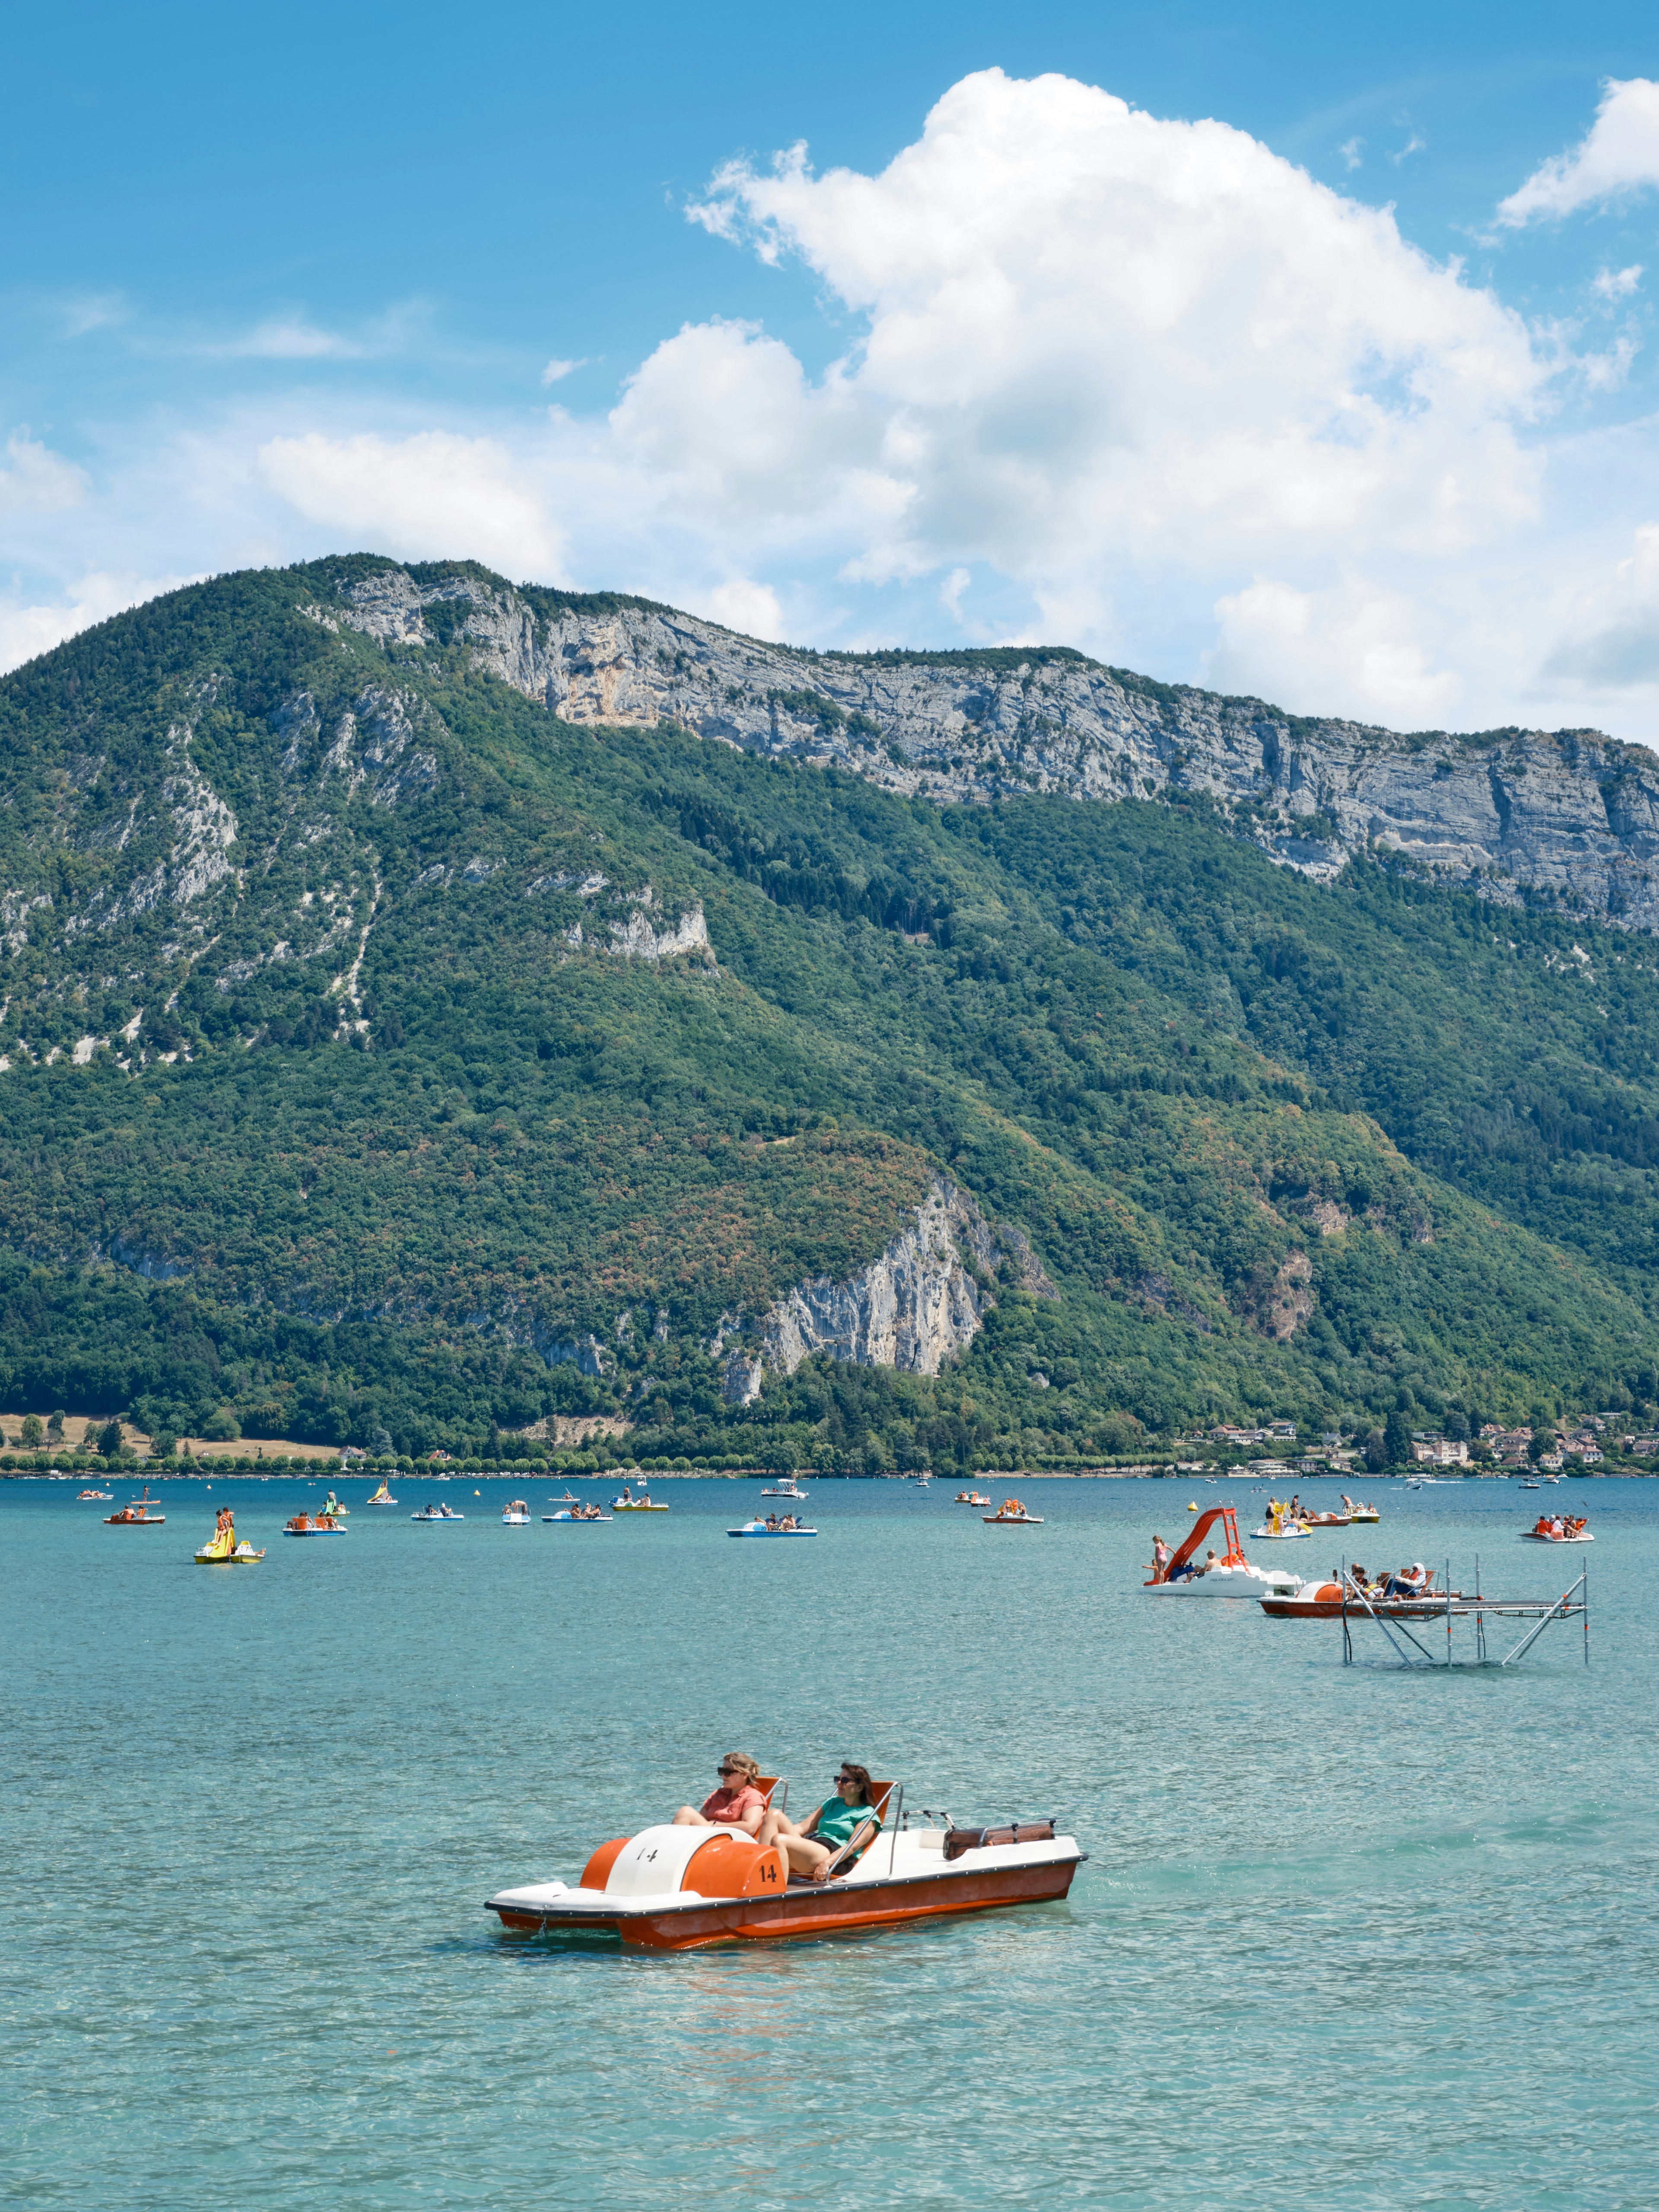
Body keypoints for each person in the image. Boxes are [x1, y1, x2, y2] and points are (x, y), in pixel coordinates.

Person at [759, 1762, 882, 1883]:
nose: (839, 1783)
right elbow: (803, 1828)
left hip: (835, 1856)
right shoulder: (833, 1803)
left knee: (779, 1840)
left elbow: (852, 1847)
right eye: (837, 1779)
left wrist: (827, 1863)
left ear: (859, 1787)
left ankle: (774, 1889)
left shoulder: (868, 1815)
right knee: (773, 1815)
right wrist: (771, 1833)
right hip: (815, 1847)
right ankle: (761, 1873)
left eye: (845, 1781)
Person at [673, 1755, 768, 1834]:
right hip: (709, 1835)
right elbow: (701, 1818)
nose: (723, 1776)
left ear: (744, 1775)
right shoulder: (718, 1794)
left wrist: (714, 1826)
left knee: (686, 1812)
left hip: (731, 1840)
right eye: (721, 1771)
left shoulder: (752, 1797)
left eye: (728, 1772)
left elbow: (750, 1828)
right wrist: (710, 1826)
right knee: (685, 1814)